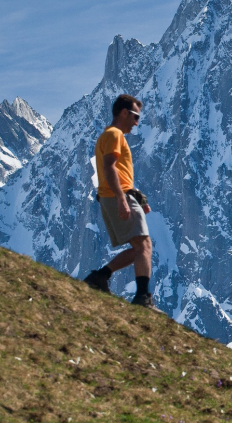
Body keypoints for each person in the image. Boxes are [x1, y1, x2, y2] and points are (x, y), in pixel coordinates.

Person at [82, 94, 160, 312]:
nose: (137, 123)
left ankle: (100, 277)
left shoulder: (110, 135)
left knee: (139, 248)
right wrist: (122, 199)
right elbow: (109, 167)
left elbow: (118, 172)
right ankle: (143, 298)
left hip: (118, 195)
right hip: (117, 196)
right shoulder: (114, 134)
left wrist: (134, 194)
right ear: (124, 113)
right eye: (135, 117)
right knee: (144, 245)